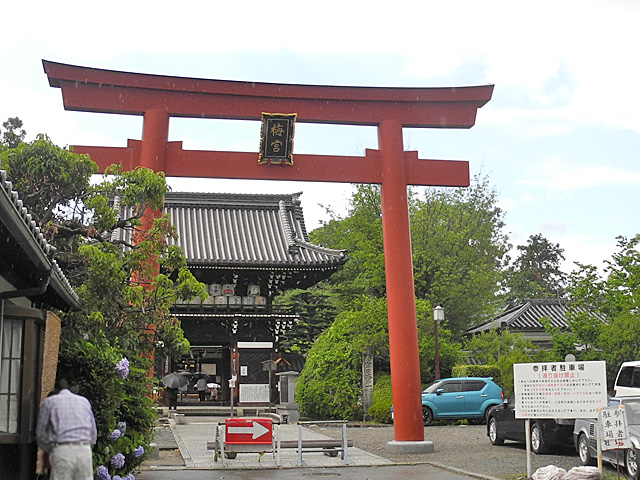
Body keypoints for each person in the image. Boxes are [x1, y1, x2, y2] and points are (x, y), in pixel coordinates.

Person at [36, 379, 97, 480]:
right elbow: (93, 434)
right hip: (84, 450)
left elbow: (41, 434)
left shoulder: (49, 402)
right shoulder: (84, 401)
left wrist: (52, 449)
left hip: (62, 449)